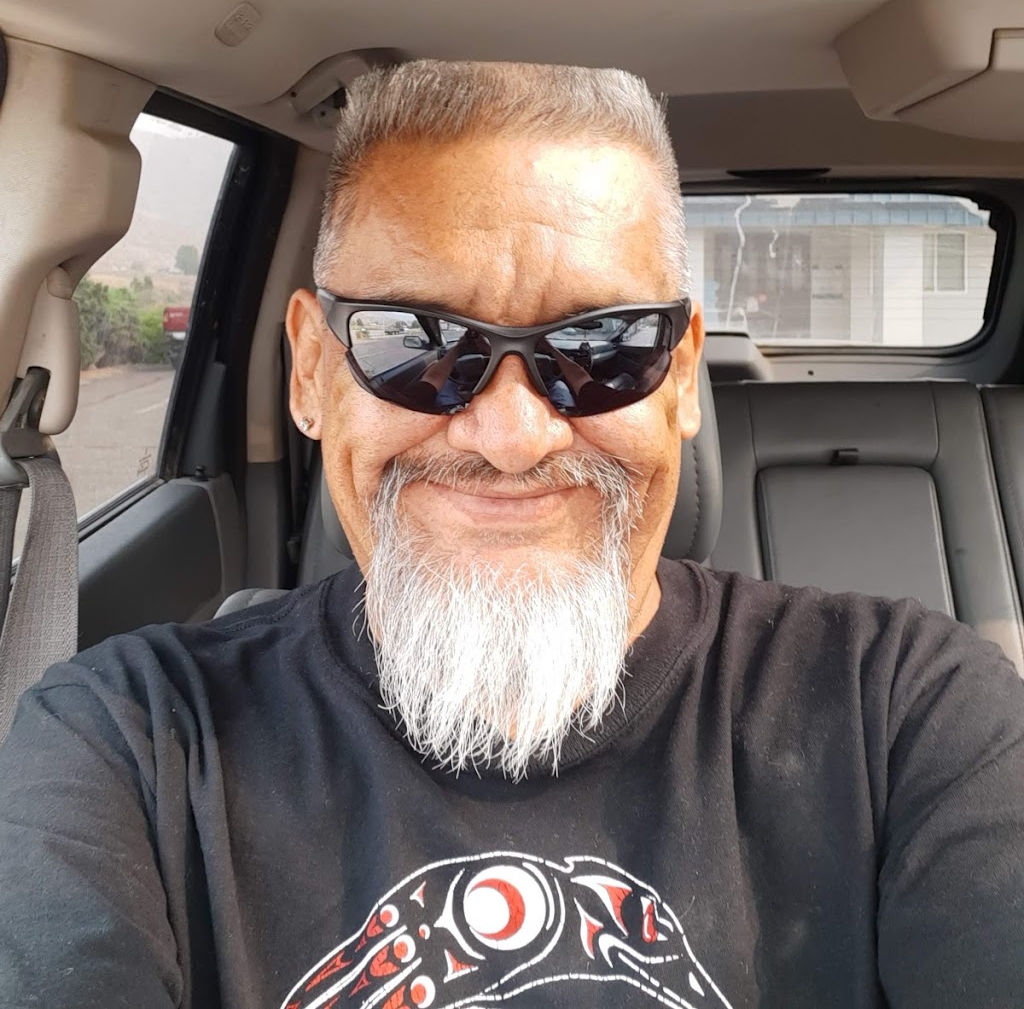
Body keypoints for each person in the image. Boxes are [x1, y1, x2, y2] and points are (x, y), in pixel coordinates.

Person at [1, 61, 1023, 1009]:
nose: (510, 437)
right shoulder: (127, 744)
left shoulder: (908, 711)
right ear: (311, 370)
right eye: (416, 343)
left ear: (680, 376)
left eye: (601, 346)